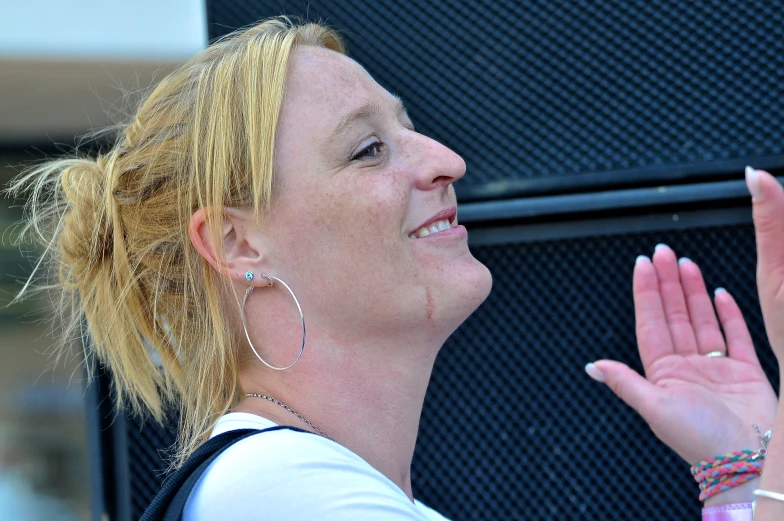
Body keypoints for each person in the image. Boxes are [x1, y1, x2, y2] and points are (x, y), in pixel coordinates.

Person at [6, 17, 784, 520]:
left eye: (409, 129)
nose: (447, 160)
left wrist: (739, 474)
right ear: (239, 243)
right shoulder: (278, 493)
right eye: (368, 148)